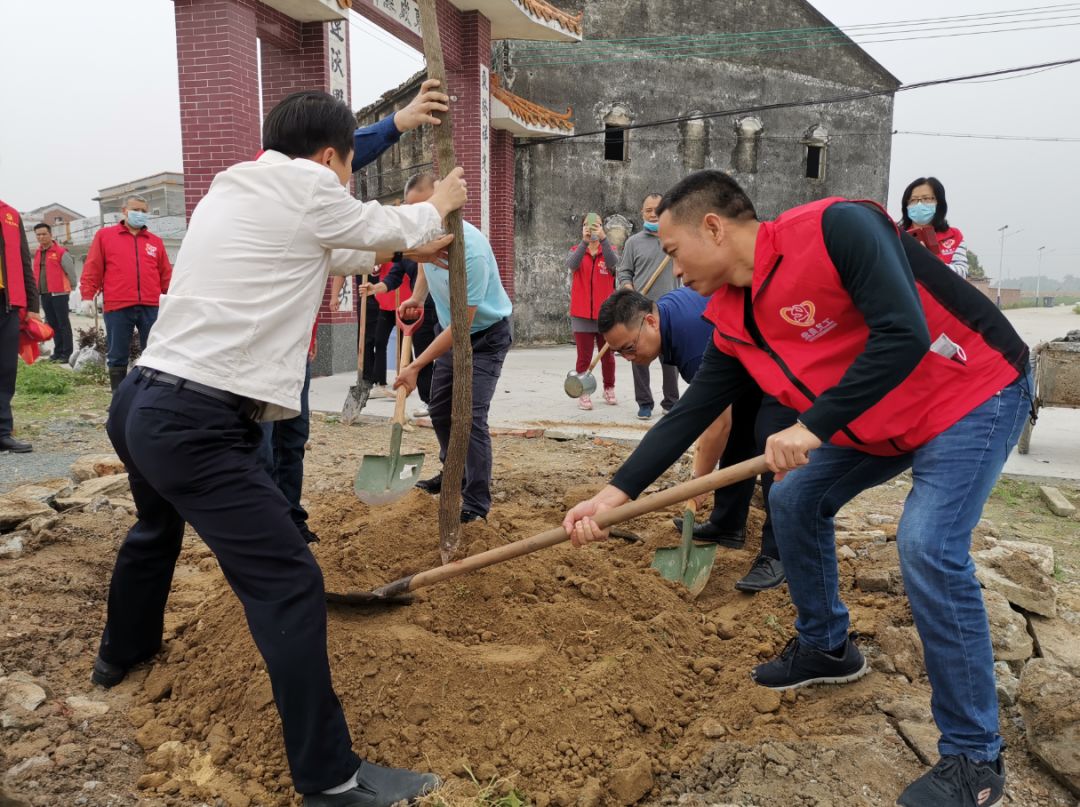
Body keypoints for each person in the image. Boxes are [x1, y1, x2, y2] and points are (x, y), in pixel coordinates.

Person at [565, 170, 1031, 807]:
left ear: (713, 227)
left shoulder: (837, 228)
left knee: (927, 544)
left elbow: (903, 334)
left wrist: (811, 427)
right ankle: (826, 646)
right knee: (792, 497)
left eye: (672, 253)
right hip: (881, 416)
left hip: (972, 390)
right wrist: (614, 495)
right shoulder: (731, 316)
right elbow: (691, 411)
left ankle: (975, 759)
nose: (671, 272)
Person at [92, 90, 467, 806]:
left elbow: (331, 248)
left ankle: (121, 653)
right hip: (196, 422)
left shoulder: (235, 187)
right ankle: (331, 777)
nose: (346, 181)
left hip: (140, 403)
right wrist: (435, 202)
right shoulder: (306, 185)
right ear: (328, 160)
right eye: (348, 169)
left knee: (154, 528)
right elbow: (366, 221)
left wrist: (397, 244)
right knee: (289, 580)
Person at [597, 288, 792, 592]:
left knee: (772, 439)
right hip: (752, 359)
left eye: (630, 348)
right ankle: (727, 524)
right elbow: (707, 422)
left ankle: (780, 553)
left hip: (785, 361)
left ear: (650, 321)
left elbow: (715, 425)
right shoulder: (667, 315)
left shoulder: (693, 346)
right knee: (741, 428)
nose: (629, 358)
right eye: (620, 352)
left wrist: (698, 482)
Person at [394, 172, 513, 523]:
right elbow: (423, 265)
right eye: (411, 210)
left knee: (471, 416)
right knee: (440, 407)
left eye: (423, 208)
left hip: (485, 337)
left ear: (442, 202)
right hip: (449, 331)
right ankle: (454, 473)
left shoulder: (470, 250)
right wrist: (417, 297)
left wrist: (416, 366)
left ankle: (476, 502)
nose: (416, 217)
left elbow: (462, 326)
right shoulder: (426, 239)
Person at [80, 194, 173, 392]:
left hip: (151, 304)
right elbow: (93, 267)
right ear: (124, 211)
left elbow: (165, 273)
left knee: (154, 351)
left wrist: (172, 297)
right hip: (118, 304)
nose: (139, 214)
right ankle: (118, 396)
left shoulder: (155, 242)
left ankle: (150, 393)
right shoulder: (105, 236)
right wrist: (87, 295)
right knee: (117, 354)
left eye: (143, 211)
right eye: (135, 210)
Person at [617, 192, 680, 419]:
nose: (653, 214)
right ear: (642, 213)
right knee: (639, 357)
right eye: (648, 210)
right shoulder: (634, 243)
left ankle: (671, 402)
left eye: (657, 209)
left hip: (670, 310)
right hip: (641, 311)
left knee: (670, 359)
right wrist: (627, 285)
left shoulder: (675, 238)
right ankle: (644, 403)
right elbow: (624, 271)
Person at [357, 254, 438, 416]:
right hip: (422, 309)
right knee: (423, 356)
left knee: (447, 358)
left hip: (446, 305)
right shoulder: (408, 254)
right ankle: (430, 401)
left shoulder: (436, 249)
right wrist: (375, 288)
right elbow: (393, 278)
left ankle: (451, 399)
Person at [0, 200, 41, 453]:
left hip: (8, 304)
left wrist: (33, 304)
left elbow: (24, 260)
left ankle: (3, 431)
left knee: (5, 370)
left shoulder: (10, 215)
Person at [567, 213, 618, 410]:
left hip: (605, 315)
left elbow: (615, 265)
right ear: (582, 228)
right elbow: (572, 265)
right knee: (584, 356)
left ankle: (609, 387)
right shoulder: (575, 250)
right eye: (588, 226)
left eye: (596, 225)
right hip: (581, 314)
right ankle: (584, 391)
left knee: (608, 356)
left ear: (602, 227)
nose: (592, 229)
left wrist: (604, 239)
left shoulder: (609, 251)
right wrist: (583, 242)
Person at [900, 176, 968, 277]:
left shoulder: (954, 236)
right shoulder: (897, 235)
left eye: (926, 199)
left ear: (939, 202)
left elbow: (962, 273)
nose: (919, 204)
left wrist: (930, 260)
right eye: (913, 200)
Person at [32, 223, 77, 363]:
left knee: (63, 323)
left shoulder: (61, 251)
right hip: (44, 293)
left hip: (60, 293)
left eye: (44, 234)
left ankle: (66, 353)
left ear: (51, 234)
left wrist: (72, 286)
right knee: (52, 324)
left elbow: (70, 271)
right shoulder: (38, 252)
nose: (41, 237)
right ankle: (57, 352)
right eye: (38, 234)